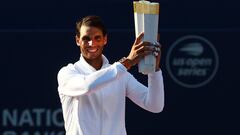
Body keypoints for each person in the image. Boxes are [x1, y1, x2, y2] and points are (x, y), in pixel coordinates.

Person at [57, 15, 164, 135]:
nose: (92, 43)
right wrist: (126, 62)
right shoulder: (67, 73)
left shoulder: (120, 74)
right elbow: (87, 86)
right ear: (78, 40)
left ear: (105, 39)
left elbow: (155, 105)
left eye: (97, 38)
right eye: (86, 38)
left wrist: (154, 70)